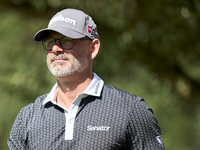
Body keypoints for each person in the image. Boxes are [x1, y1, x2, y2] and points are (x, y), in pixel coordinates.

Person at [8, 8, 165, 150]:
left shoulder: (131, 110)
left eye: (67, 40)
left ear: (93, 48)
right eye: (50, 42)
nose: (56, 48)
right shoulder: (27, 117)